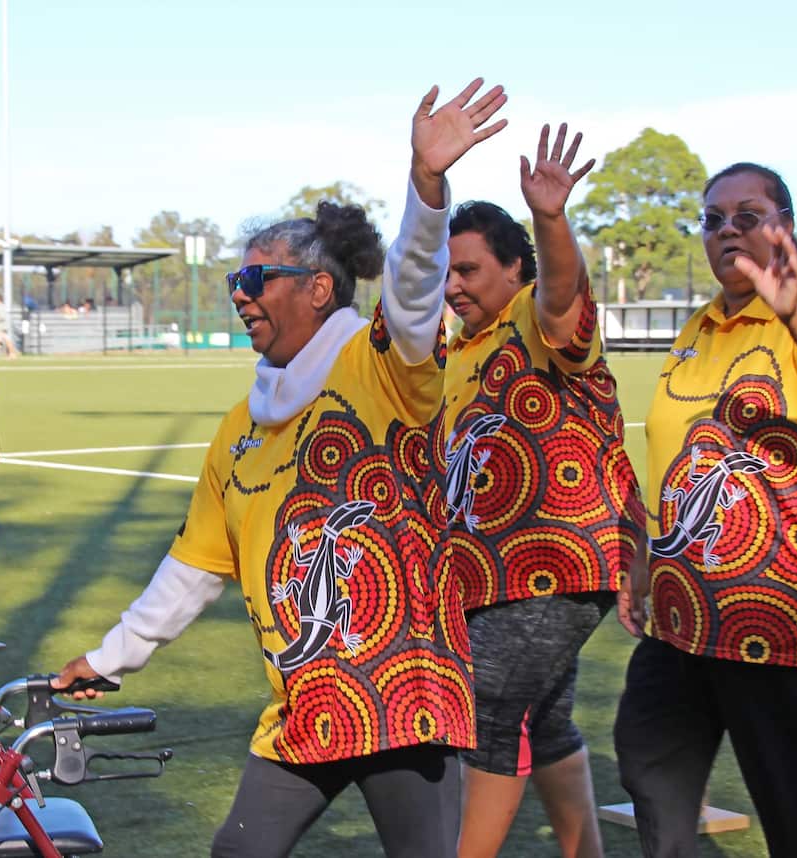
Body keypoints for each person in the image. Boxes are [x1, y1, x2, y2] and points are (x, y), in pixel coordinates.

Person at [54, 79, 509, 858]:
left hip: (405, 696)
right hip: (306, 704)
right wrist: (109, 658)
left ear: (318, 287)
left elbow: (410, 290)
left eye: (256, 279)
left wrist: (427, 188)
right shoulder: (239, 428)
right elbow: (193, 566)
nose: (239, 296)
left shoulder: (383, 366)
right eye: (237, 281)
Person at [614, 163, 797, 858]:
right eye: (713, 219)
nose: (727, 229)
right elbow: (676, 452)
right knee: (649, 773)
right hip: (681, 619)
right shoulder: (702, 324)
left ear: (783, 228)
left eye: (747, 215)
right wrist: (645, 561)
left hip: (780, 616)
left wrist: (793, 312)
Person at [441, 125, 645, 858]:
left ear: (515, 269)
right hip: (495, 575)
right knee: (545, 717)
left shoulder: (535, 317)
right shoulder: (460, 349)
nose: (453, 284)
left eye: (467, 269)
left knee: (489, 709)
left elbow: (563, 297)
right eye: (446, 272)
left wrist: (551, 220)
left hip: (555, 564)